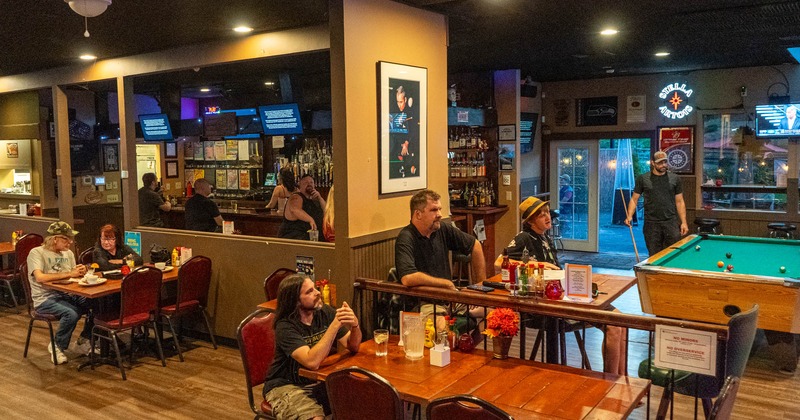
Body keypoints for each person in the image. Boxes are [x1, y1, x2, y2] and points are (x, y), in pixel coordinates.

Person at [495, 197, 627, 375]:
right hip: (545, 306)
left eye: (547, 212)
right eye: (541, 215)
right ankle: (610, 382)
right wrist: (539, 266)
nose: (547, 217)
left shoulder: (545, 237)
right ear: (531, 221)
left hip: (563, 294)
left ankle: (622, 379)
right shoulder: (524, 238)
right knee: (614, 326)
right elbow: (499, 263)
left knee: (622, 322)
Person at [263, 274, 361, 420]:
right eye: (309, 292)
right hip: (285, 385)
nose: (317, 293)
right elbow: (312, 362)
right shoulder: (285, 326)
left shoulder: (324, 312)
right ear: (295, 301)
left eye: (314, 288)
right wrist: (335, 325)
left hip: (317, 381)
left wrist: (355, 325)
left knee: (361, 401)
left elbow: (353, 346)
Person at [26, 221, 94, 364]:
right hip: (44, 298)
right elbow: (40, 277)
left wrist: (81, 272)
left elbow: (71, 276)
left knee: (96, 304)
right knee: (72, 313)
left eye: (70, 238)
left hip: (66, 294)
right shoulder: (36, 253)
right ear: (54, 238)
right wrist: (70, 273)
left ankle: (83, 341)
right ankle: (57, 346)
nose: (70, 242)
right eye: (66, 239)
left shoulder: (68, 253)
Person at [395, 189, 486, 289]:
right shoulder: (406, 237)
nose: (440, 214)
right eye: (434, 210)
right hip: (423, 301)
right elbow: (408, 278)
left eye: (439, 209)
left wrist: (480, 287)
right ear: (418, 214)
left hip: (447, 299)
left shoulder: (442, 228)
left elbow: (475, 245)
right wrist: (446, 284)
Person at [624, 150, 688, 256]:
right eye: (660, 162)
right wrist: (629, 216)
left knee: (673, 254)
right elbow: (634, 199)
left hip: (670, 222)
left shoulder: (675, 179)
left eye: (665, 162)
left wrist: (684, 222)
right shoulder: (643, 179)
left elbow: (680, 201)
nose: (663, 165)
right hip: (651, 223)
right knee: (654, 255)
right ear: (653, 163)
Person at [278, 174, 327, 241]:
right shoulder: (296, 196)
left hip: (314, 239)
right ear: (300, 186)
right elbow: (295, 209)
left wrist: (320, 198)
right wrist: (310, 220)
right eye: (306, 183)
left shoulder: (315, 200)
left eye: (311, 182)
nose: (309, 184)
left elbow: (327, 211)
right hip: (295, 239)